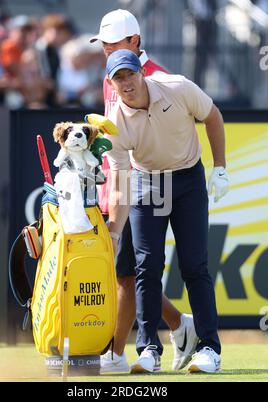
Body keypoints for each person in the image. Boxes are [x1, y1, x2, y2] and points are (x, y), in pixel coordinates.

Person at [105, 49, 229, 374]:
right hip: (147, 184)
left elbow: (212, 115)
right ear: (111, 83)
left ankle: (209, 349)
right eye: (119, 78)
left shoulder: (177, 87)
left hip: (188, 179)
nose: (127, 82)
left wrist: (220, 168)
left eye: (130, 74)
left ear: (141, 72)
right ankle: (148, 349)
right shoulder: (114, 124)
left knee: (194, 266)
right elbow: (120, 183)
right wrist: (114, 231)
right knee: (146, 267)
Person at [90, 9, 198, 374]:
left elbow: (188, 131)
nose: (108, 53)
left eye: (114, 45)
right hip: (116, 184)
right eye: (103, 47)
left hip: (150, 186)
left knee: (130, 271)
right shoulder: (113, 76)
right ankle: (179, 324)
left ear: (135, 42)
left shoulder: (163, 80)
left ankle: (116, 354)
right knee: (127, 271)